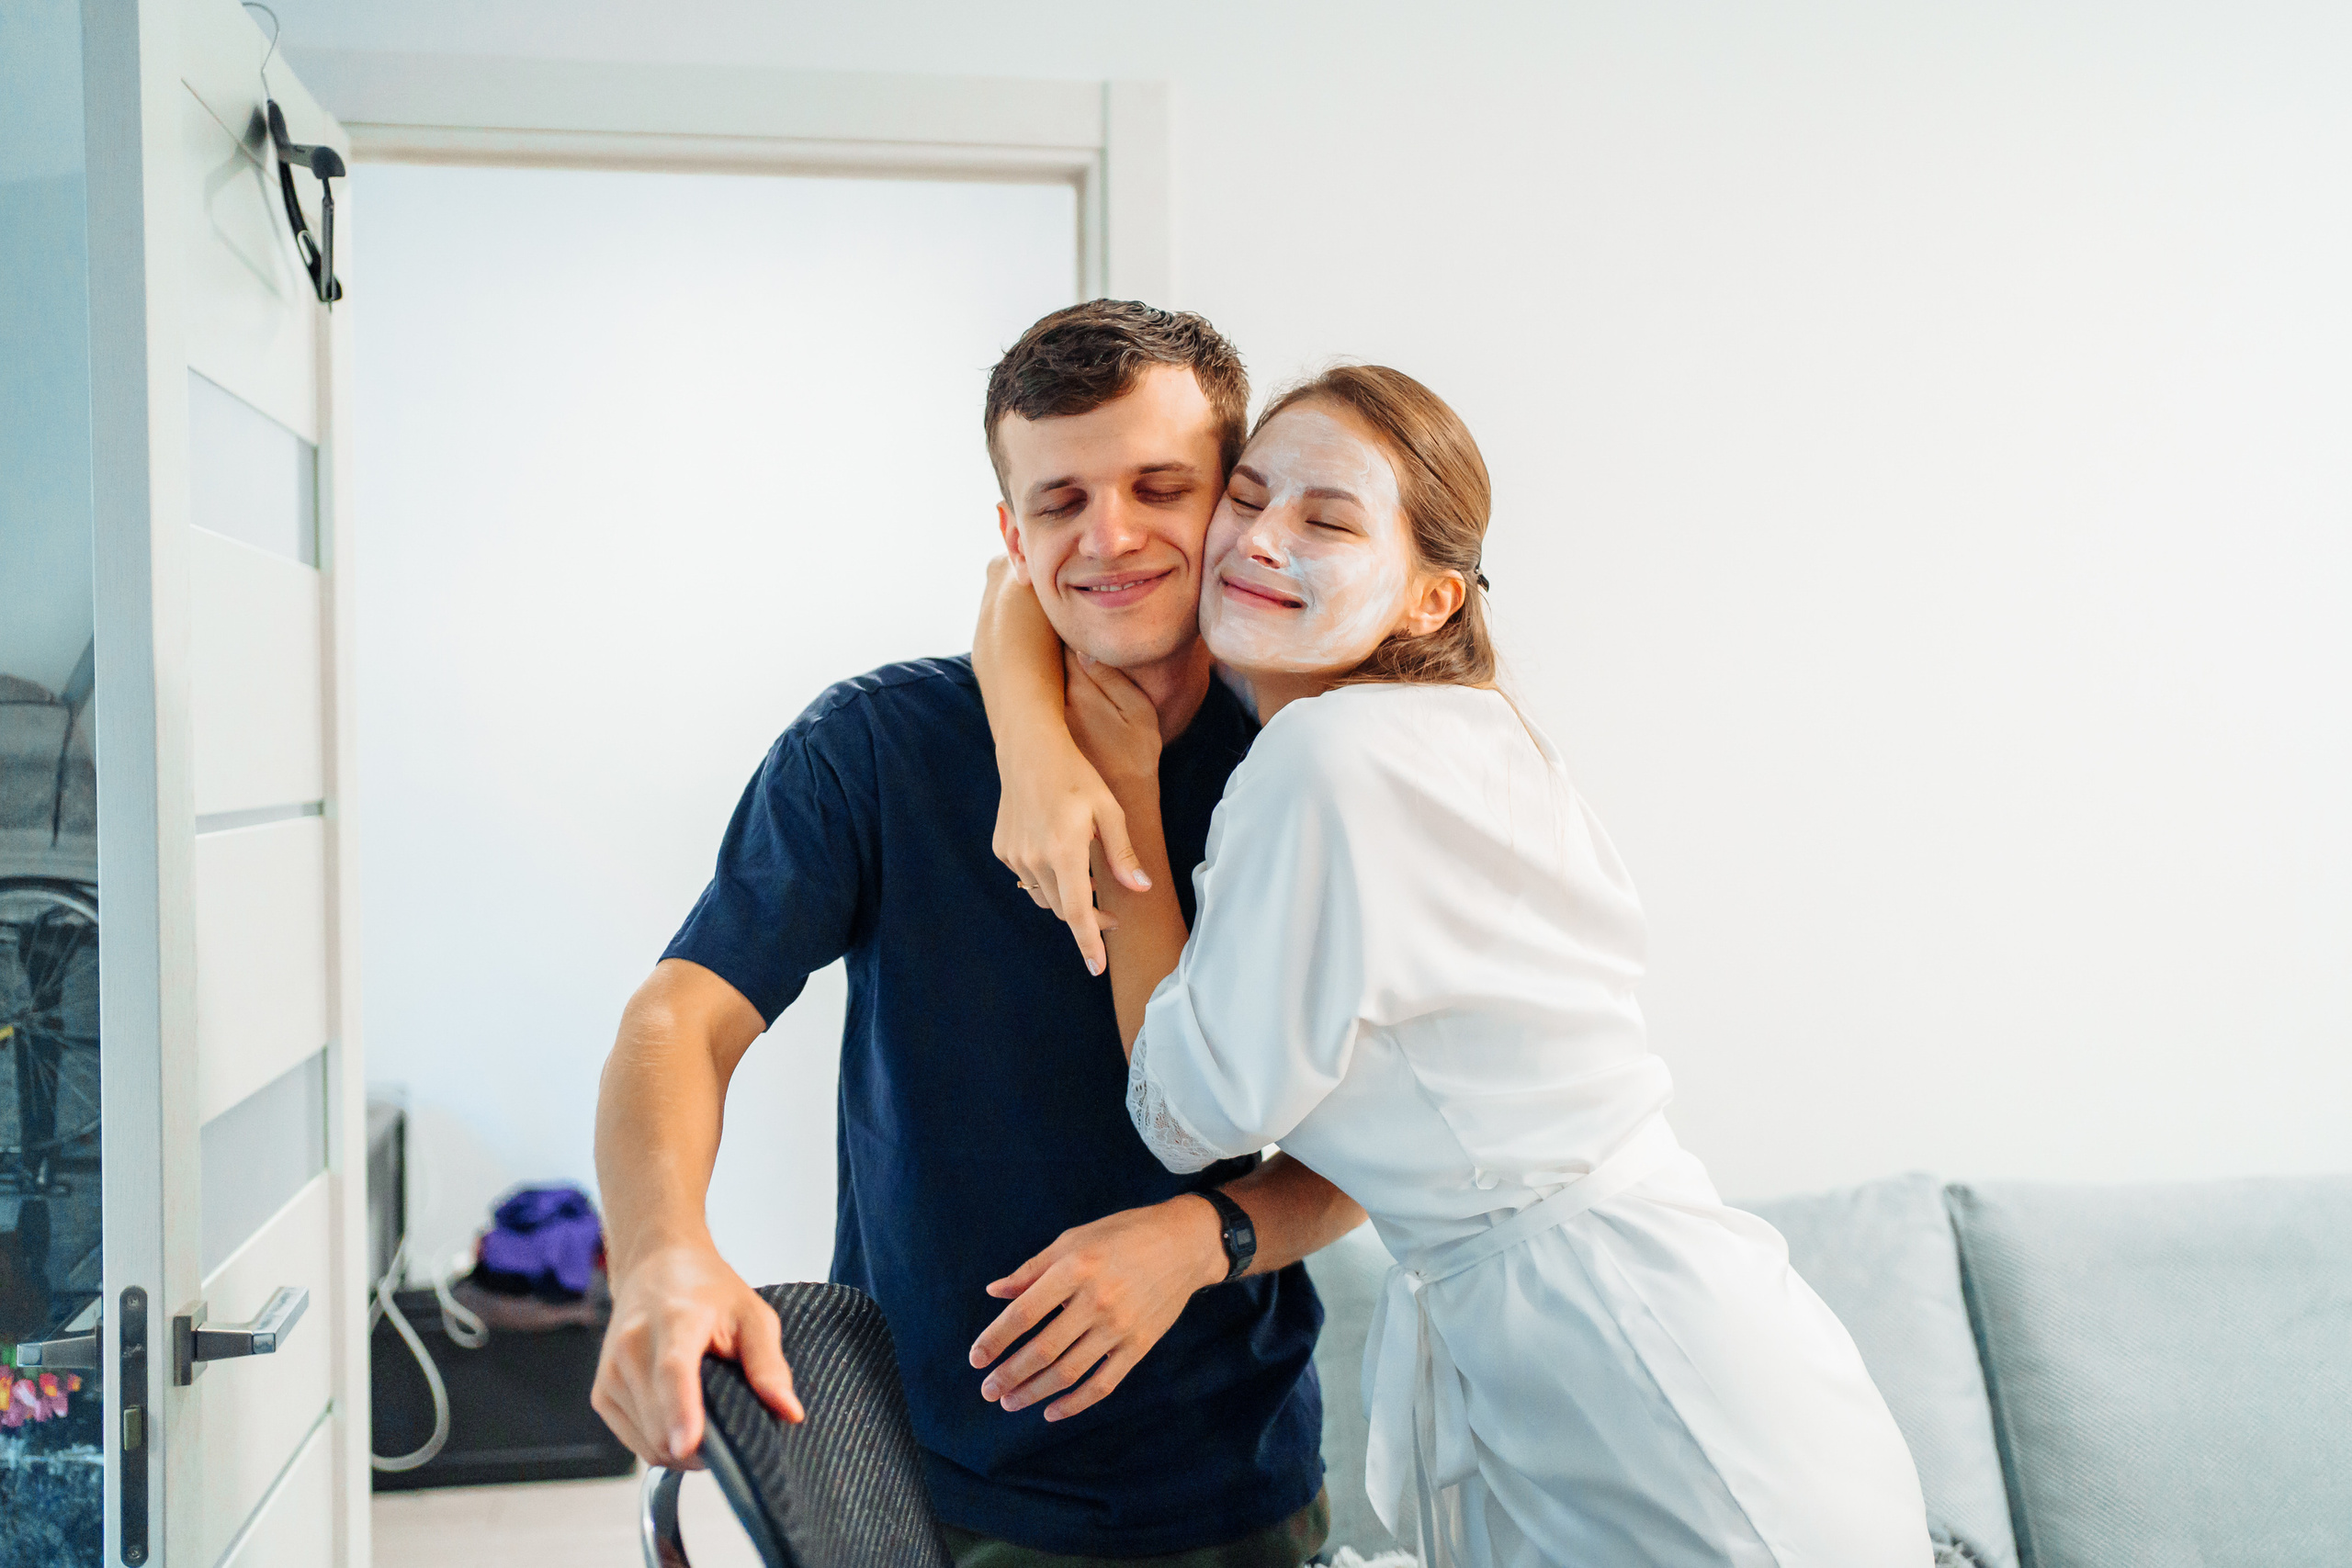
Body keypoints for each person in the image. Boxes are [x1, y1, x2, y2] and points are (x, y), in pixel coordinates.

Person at [975, 365, 1934, 1568]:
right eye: (1249, 496)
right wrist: (1021, 689)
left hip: (1633, 1370)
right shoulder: (1467, 730)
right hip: (1665, 1326)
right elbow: (1035, 575)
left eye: (1325, 519)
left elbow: (1184, 1112)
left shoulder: (1324, 759)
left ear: (1431, 596)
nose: (1263, 537)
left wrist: (1118, 782)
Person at [592, 302, 1367, 1568]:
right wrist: (663, 1254)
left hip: (1237, 1481)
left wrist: (1197, 1236)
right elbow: (679, 1019)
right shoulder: (873, 750)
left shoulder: (1309, 764)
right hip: (936, 1480)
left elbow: (1374, 1144)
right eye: (1059, 502)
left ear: (1232, 506)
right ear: (1011, 533)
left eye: (1159, 487)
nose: (1107, 536)